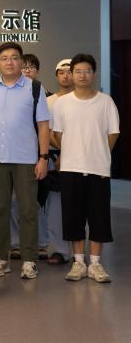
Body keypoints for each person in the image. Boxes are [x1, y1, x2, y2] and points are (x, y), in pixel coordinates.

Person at [0, 42, 50, 280]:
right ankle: (1, 258)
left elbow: (43, 125)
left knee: (28, 210)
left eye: (15, 58)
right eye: (5, 58)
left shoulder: (35, 88)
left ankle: (29, 260)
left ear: (21, 61)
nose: (10, 62)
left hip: (26, 159)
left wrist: (43, 158)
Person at [53, 54, 119, 283]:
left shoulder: (105, 102)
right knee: (74, 216)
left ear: (94, 74)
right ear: (72, 74)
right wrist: (74, 151)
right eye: (78, 71)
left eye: (87, 71)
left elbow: (113, 134)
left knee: (99, 217)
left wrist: (98, 153)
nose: (82, 75)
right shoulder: (62, 103)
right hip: (70, 168)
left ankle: (96, 264)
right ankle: (79, 263)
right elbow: (57, 134)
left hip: (98, 169)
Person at [11, 53, 52, 260]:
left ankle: (42, 243)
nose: (27, 71)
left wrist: (44, 156)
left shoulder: (44, 94)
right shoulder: (11, 93)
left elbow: (46, 128)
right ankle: (16, 243)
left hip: (39, 156)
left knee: (39, 202)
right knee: (14, 201)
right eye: (24, 67)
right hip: (16, 156)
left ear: (37, 70)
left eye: (31, 67)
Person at [42, 59, 74, 266]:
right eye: (61, 72)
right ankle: (59, 250)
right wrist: (63, 151)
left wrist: (70, 151)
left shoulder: (83, 99)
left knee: (78, 206)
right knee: (55, 206)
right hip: (55, 159)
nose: (65, 76)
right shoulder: (48, 101)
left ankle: (77, 252)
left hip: (80, 158)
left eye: (69, 72)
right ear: (56, 76)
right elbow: (47, 130)